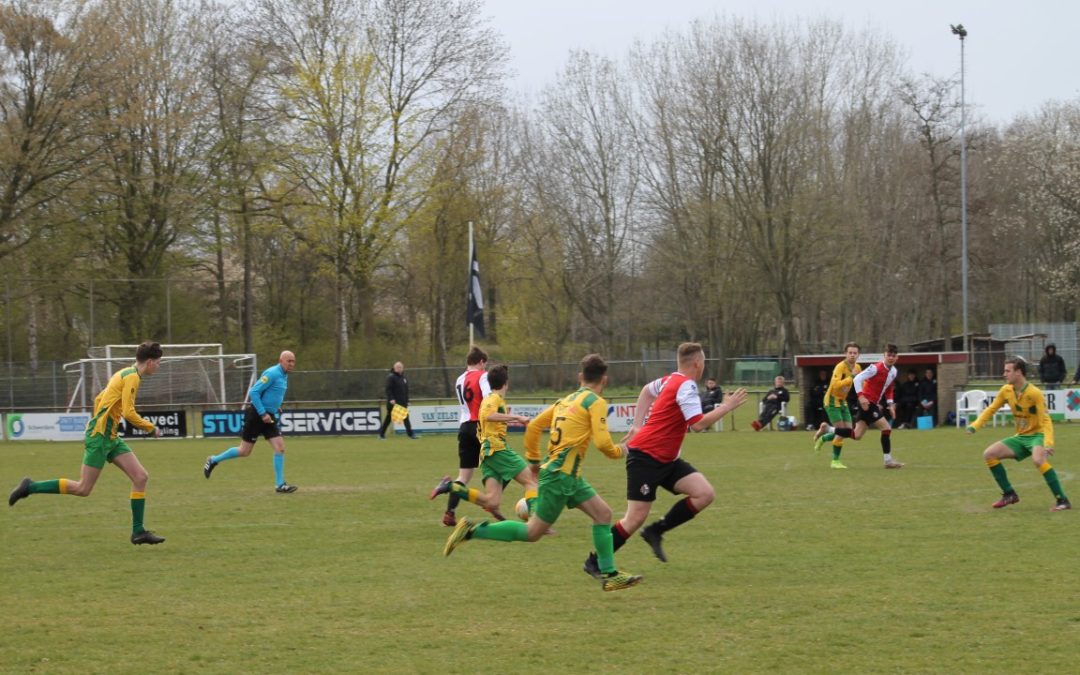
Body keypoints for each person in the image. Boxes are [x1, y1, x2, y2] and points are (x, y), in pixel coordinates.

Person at [442, 354, 643, 592]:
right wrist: (625, 450)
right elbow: (604, 445)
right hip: (561, 477)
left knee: (603, 514)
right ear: (605, 381)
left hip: (568, 475)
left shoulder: (564, 401)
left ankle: (609, 574)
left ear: (580, 377)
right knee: (532, 532)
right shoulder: (595, 402)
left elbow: (535, 426)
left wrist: (535, 462)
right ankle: (472, 531)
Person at [585, 342, 748, 567]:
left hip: (667, 459)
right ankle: (595, 561)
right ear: (698, 364)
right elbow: (698, 424)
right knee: (634, 518)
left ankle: (655, 531)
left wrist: (637, 425)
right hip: (646, 458)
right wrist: (727, 406)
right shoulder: (687, 386)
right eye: (704, 363)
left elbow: (645, 391)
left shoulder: (669, 380)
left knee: (704, 494)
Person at [8, 341, 166, 545]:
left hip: (109, 436)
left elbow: (99, 398)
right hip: (100, 437)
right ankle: (31, 487)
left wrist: (102, 422)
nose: (159, 366)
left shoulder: (124, 372)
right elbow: (128, 412)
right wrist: (150, 428)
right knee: (83, 488)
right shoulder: (133, 378)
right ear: (150, 362)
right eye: (159, 362)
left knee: (141, 477)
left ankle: (138, 532)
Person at [430, 364, 533, 523]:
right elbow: (488, 415)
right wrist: (517, 418)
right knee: (531, 480)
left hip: (487, 453)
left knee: (492, 501)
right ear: (506, 383)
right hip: (496, 449)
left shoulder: (491, 399)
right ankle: (538, 523)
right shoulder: (493, 398)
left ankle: (451, 486)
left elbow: (489, 415)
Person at [966, 356, 1070, 511]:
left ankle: (1062, 500)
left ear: (1018, 372)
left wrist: (1048, 442)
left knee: (1038, 460)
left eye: (1007, 371)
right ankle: (1009, 494)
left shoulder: (1034, 393)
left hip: (1038, 435)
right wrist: (975, 425)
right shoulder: (1006, 390)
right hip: (1021, 437)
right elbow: (991, 409)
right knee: (989, 454)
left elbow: (1046, 420)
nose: (1004, 374)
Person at [203, 350, 299, 493]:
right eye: (288, 361)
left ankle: (280, 485)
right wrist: (262, 413)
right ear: (281, 361)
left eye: (293, 361)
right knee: (244, 451)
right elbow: (254, 392)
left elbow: (271, 393)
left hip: (269, 416)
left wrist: (275, 407)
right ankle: (214, 460)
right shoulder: (273, 373)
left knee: (280, 448)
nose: (291, 364)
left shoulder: (284, 375)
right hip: (257, 416)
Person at [434, 346, 490, 526]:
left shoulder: (459, 379)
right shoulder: (483, 376)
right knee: (500, 465)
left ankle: (449, 513)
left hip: (464, 427)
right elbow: (489, 399)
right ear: (481, 362)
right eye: (484, 364)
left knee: (464, 476)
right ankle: (490, 503)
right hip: (479, 426)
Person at [851, 343, 905, 469]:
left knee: (857, 435)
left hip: (873, 403)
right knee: (886, 428)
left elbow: (889, 388)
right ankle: (888, 461)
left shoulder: (894, 371)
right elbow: (857, 379)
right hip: (867, 402)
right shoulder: (875, 368)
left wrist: (891, 404)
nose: (891, 357)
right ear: (884, 356)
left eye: (893, 355)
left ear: (897, 357)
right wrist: (861, 396)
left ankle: (829, 431)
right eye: (888, 355)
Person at [813, 342, 862, 469]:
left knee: (849, 432)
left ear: (858, 355)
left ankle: (824, 435)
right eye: (850, 352)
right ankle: (835, 461)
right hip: (831, 401)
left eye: (855, 353)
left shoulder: (858, 368)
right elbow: (835, 385)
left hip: (842, 401)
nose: (852, 355)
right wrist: (851, 377)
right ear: (845, 354)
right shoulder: (840, 367)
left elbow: (861, 382)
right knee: (841, 432)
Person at [378, 361, 416, 438]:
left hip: (402, 402)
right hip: (394, 403)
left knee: (389, 418)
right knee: (404, 417)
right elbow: (388, 389)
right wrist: (391, 399)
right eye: (397, 367)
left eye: (400, 367)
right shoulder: (391, 377)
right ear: (394, 368)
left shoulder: (404, 378)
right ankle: (411, 435)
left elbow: (405, 390)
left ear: (403, 368)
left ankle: (381, 434)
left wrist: (407, 400)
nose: (399, 369)